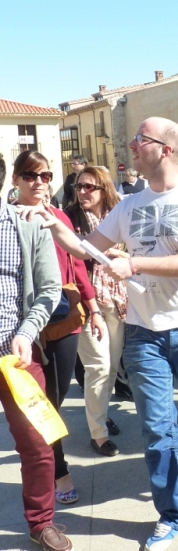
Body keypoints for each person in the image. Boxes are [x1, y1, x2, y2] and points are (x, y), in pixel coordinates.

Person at [18, 117, 178, 551]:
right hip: (144, 333)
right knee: (156, 425)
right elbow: (88, 247)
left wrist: (134, 263)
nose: (130, 146)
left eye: (139, 140)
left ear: (165, 148)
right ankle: (173, 514)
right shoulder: (130, 204)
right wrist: (55, 224)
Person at [13, 150, 103, 506]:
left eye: (46, 176)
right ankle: (57, 469)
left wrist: (93, 306)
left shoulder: (59, 215)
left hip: (65, 316)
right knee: (39, 402)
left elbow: (78, 263)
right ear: (17, 179)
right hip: (23, 324)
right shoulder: (9, 219)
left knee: (56, 398)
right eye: (31, 176)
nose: (39, 182)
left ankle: (49, 459)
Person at [0, 154, 71, 550]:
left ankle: (41, 522)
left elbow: (49, 290)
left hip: (17, 357)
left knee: (39, 445)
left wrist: (28, 331)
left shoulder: (26, 226)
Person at [65, 167, 128, 457]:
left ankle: (99, 416)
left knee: (111, 367)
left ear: (104, 189)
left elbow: (134, 254)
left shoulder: (118, 216)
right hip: (85, 303)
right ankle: (98, 434)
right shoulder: (70, 218)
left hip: (116, 301)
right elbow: (72, 261)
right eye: (79, 187)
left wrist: (122, 255)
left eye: (89, 187)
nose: (82, 192)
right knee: (98, 367)